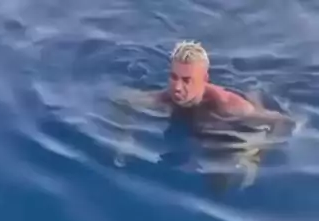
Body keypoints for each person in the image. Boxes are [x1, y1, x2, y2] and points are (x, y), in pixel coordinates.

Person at [112, 40, 295, 190]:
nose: (177, 87)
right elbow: (123, 100)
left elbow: (283, 121)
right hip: (192, 132)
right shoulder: (167, 97)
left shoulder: (229, 106)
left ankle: (254, 93)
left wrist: (258, 154)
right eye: (174, 77)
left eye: (186, 80)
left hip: (225, 134)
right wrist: (125, 140)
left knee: (220, 184)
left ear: (204, 80)